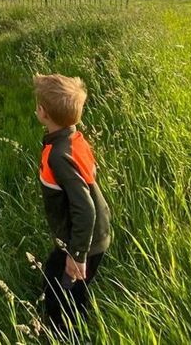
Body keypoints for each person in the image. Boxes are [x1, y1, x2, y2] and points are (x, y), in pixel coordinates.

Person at [33, 74, 111, 335]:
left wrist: (77, 256)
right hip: (82, 235)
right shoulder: (73, 139)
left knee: (66, 295)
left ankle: (66, 335)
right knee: (55, 276)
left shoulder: (59, 155)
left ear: (43, 113)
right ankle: (62, 323)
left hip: (83, 240)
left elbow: (85, 208)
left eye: (38, 104)